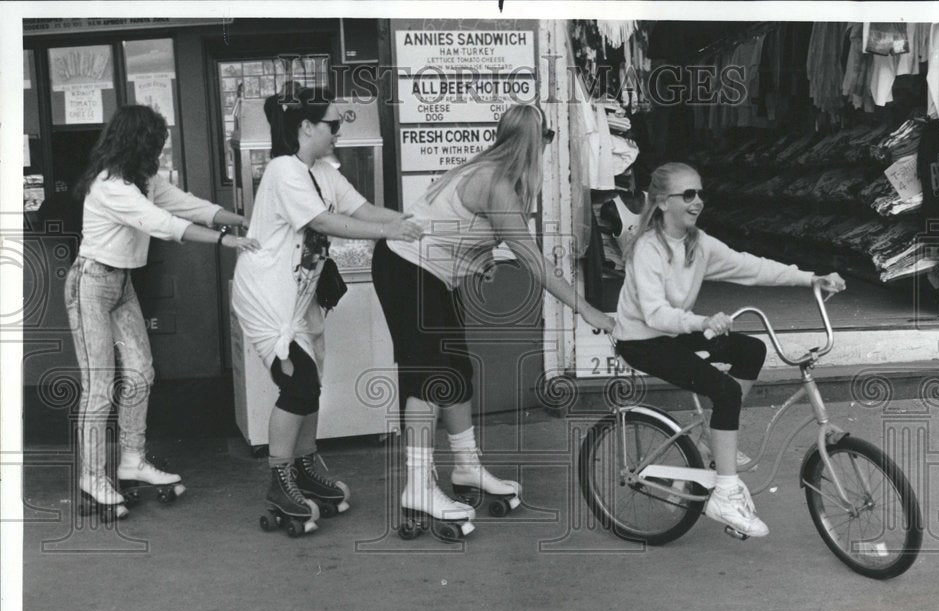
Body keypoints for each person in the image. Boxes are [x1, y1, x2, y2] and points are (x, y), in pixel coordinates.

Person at [372, 103, 616, 536]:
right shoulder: (498, 183)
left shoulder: (493, 172)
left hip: (424, 272)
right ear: (535, 141)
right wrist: (587, 308)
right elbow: (535, 263)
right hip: (406, 268)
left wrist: (477, 257)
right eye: (550, 136)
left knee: (456, 371)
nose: (550, 145)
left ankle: (466, 468)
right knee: (428, 376)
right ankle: (417, 486)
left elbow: (458, 227)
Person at [613, 162, 846, 538]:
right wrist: (702, 322)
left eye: (700, 193)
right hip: (641, 341)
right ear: (660, 202)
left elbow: (749, 267)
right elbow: (655, 314)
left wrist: (810, 278)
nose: (697, 201)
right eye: (687, 195)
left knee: (751, 349)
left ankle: (712, 441)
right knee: (723, 391)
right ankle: (725, 493)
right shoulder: (647, 249)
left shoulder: (698, 244)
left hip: (675, 331)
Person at [232, 87, 423, 529]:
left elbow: (363, 208)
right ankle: (279, 479)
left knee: (310, 383)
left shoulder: (323, 171)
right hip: (267, 297)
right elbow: (322, 221)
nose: (339, 132)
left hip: (299, 298)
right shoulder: (284, 171)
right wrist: (392, 232)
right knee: (297, 385)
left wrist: (412, 221)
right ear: (306, 128)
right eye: (333, 124)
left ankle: (304, 466)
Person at [66, 104, 261, 519]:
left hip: (121, 284)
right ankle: (91, 476)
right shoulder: (111, 185)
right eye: (156, 143)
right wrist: (227, 240)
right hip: (92, 284)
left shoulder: (143, 180)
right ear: (138, 143)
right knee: (100, 388)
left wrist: (243, 219)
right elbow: (162, 224)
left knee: (140, 373)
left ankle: (132, 459)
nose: (159, 151)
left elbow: (188, 206)